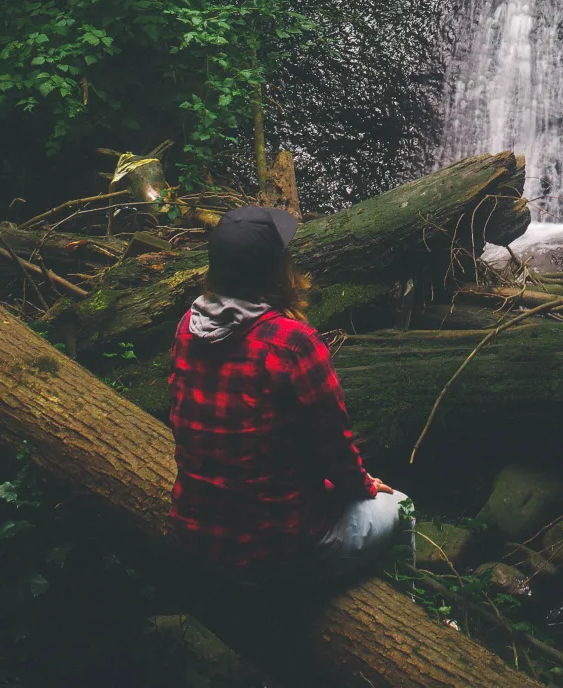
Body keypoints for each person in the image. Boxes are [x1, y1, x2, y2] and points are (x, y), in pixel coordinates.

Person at [169, 203, 413, 584]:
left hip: (195, 534)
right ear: (276, 271)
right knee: (400, 506)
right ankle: (406, 613)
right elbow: (336, 449)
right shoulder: (293, 344)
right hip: (275, 552)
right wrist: (364, 486)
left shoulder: (187, 326)